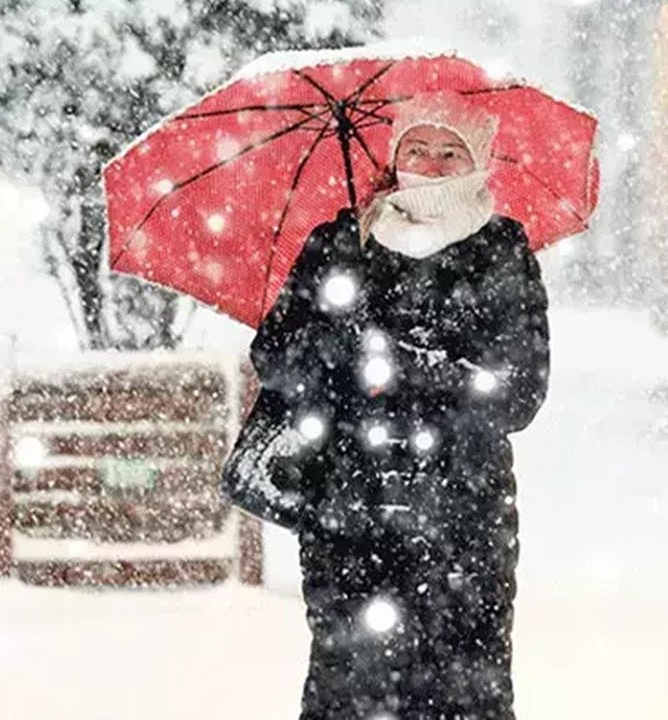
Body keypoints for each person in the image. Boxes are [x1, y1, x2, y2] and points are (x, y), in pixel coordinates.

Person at [223, 90, 550, 720]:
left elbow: (519, 392)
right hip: (348, 515)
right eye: (417, 147)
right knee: (350, 691)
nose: (430, 162)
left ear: (477, 160)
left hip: (463, 522)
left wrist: (410, 364)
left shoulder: (502, 250)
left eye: (450, 150)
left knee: (465, 693)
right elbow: (276, 358)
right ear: (394, 155)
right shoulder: (341, 242)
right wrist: (339, 345)